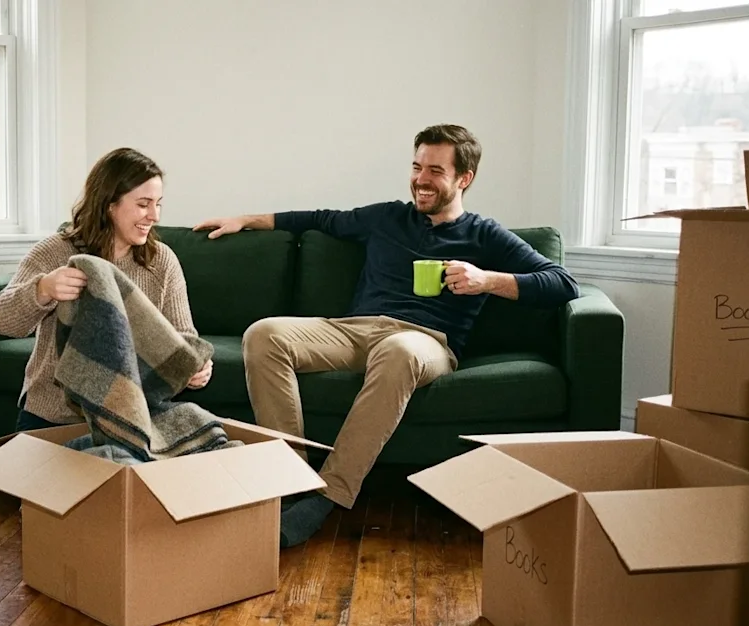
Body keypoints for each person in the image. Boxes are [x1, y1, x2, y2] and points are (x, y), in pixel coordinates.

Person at [192, 124, 579, 548]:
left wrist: (485, 279)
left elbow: (561, 283)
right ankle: (292, 481)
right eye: (416, 167)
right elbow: (318, 219)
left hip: (425, 341)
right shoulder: (388, 217)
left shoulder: (483, 234)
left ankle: (330, 494)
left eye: (435, 170)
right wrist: (244, 220)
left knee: (397, 350)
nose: (421, 179)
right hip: (356, 329)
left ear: (464, 178)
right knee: (264, 334)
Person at [0, 147, 212, 431]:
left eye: (158, 204)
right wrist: (43, 288)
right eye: (144, 204)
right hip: (52, 414)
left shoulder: (162, 261)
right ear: (110, 204)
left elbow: (183, 337)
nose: (154, 216)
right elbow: (3, 320)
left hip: (133, 417)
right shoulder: (56, 252)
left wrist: (195, 367)